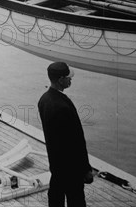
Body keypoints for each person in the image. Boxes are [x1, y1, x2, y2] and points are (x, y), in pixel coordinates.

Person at [39, 62, 94, 207]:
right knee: (76, 199)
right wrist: (86, 169)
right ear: (60, 79)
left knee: (56, 195)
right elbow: (75, 142)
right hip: (71, 167)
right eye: (68, 77)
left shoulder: (44, 100)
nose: (70, 80)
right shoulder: (63, 107)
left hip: (56, 163)